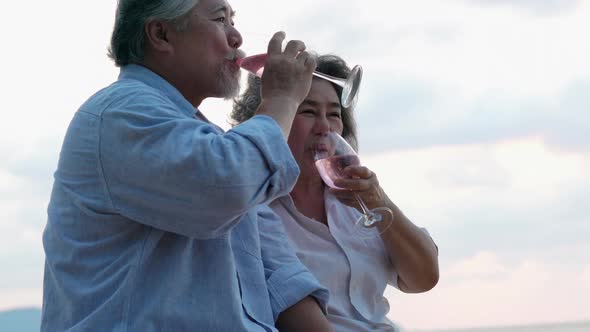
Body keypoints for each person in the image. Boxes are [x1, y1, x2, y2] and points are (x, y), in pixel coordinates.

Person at [41, 0, 335, 331]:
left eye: (233, 20)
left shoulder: (204, 139)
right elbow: (230, 186)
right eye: (220, 19)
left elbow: (278, 271)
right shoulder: (121, 114)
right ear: (161, 34)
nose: (236, 37)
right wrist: (281, 100)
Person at [231, 54, 440, 331]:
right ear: (271, 118)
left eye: (333, 114)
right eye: (307, 112)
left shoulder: (354, 198)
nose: (324, 127)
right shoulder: (251, 207)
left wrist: (378, 199)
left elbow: (424, 278)